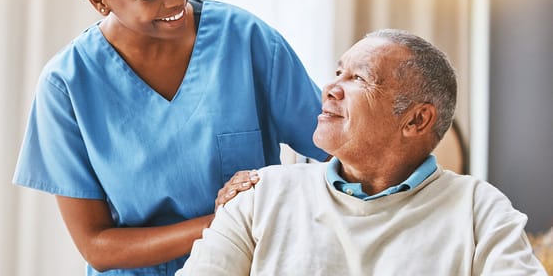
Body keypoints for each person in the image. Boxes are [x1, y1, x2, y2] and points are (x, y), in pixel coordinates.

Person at [12, 0, 329, 275]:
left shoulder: (246, 40)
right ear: (100, 0)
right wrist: (224, 222)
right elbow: (97, 245)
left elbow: (336, 150)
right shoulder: (67, 87)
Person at [178, 29, 547, 275]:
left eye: (359, 79)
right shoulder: (261, 195)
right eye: (339, 72)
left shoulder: (479, 210)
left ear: (417, 120)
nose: (329, 89)